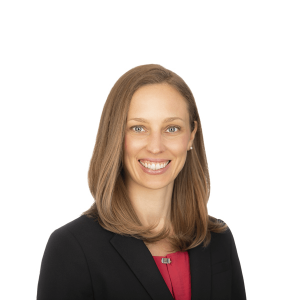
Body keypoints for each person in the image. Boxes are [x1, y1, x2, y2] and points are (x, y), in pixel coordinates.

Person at [36, 64, 247, 300]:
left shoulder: (218, 240)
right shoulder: (71, 248)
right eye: (138, 128)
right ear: (115, 134)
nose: (156, 146)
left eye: (172, 128)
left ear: (192, 135)